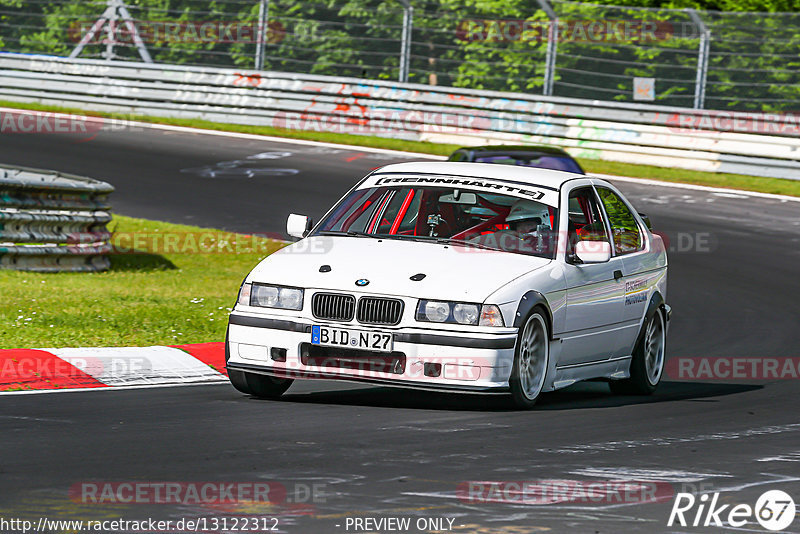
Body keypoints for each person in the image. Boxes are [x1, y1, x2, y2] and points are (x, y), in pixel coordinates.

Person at [470, 199, 554, 254]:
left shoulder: (552, 245)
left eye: (528, 224)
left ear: (544, 221)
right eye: (518, 226)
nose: (522, 230)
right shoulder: (504, 242)